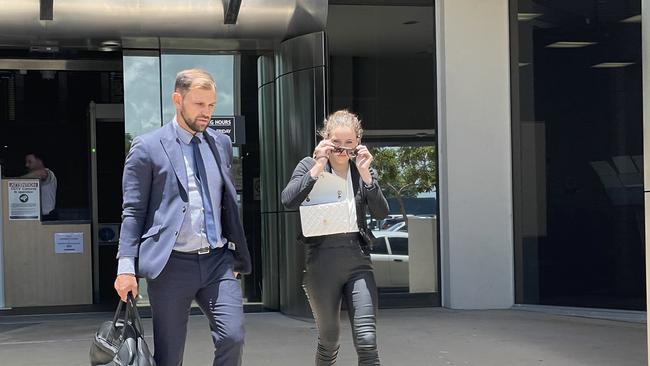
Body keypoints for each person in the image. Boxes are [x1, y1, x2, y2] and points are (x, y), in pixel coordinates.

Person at [114, 69, 251, 366]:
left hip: (217, 260)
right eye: (199, 105)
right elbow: (133, 210)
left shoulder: (221, 143)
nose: (207, 113)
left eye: (212, 106)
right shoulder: (147, 147)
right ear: (178, 100)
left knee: (233, 337)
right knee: (169, 355)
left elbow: (226, 202)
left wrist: (234, 255)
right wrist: (126, 267)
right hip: (171, 264)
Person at [281, 110, 389, 365]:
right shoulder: (309, 165)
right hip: (321, 262)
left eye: (348, 144)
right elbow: (288, 200)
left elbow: (382, 211)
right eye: (336, 143)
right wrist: (318, 166)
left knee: (367, 340)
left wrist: (366, 176)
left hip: (357, 261)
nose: (342, 150)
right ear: (325, 140)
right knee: (329, 340)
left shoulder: (362, 171)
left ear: (358, 143)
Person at [21, 152, 57, 220]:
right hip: (35, 216)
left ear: (39, 161)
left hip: (47, 217)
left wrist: (12, 181)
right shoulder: (32, 178)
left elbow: (41, 173)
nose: (27, 165)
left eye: (30, 162)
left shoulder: (48, 173)